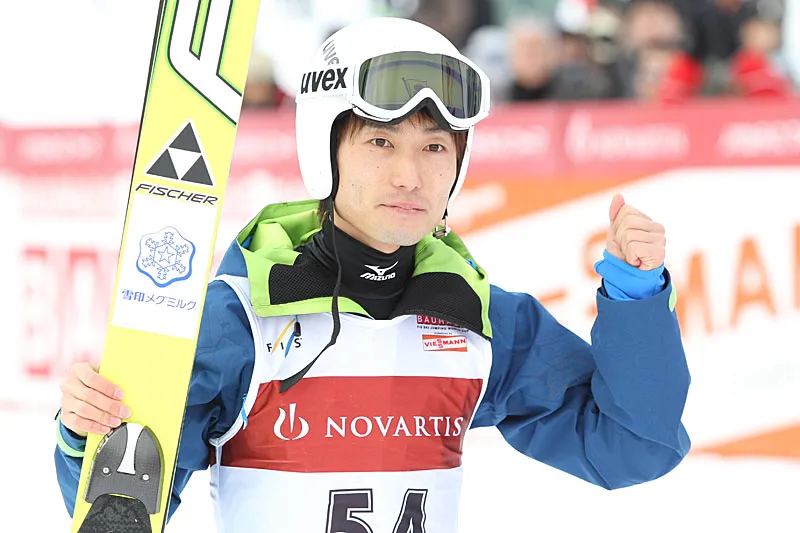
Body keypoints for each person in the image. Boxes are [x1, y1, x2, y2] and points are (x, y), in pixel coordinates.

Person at [54, 17, 691, 533]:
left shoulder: (480, 320)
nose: (410, 177)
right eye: (380, 143)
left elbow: (631, 447)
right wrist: (88, 434)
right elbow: (125, 509)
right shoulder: (240, 322)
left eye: (434, 147)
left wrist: (635, 299)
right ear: (325, 151)